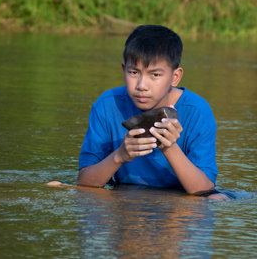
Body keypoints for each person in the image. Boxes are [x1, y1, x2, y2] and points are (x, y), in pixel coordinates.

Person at [76, 25, 228, 200]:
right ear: (123, 69)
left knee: (218, 199)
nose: (141, 85)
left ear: (175, 77)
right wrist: (120, 155)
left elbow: (204, 188)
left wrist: (169, 147)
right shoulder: (107, 104)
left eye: (155, 75)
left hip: (177, 201)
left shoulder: (198, 111)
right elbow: (84, 182)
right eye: (134, 72)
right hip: (126, 196)